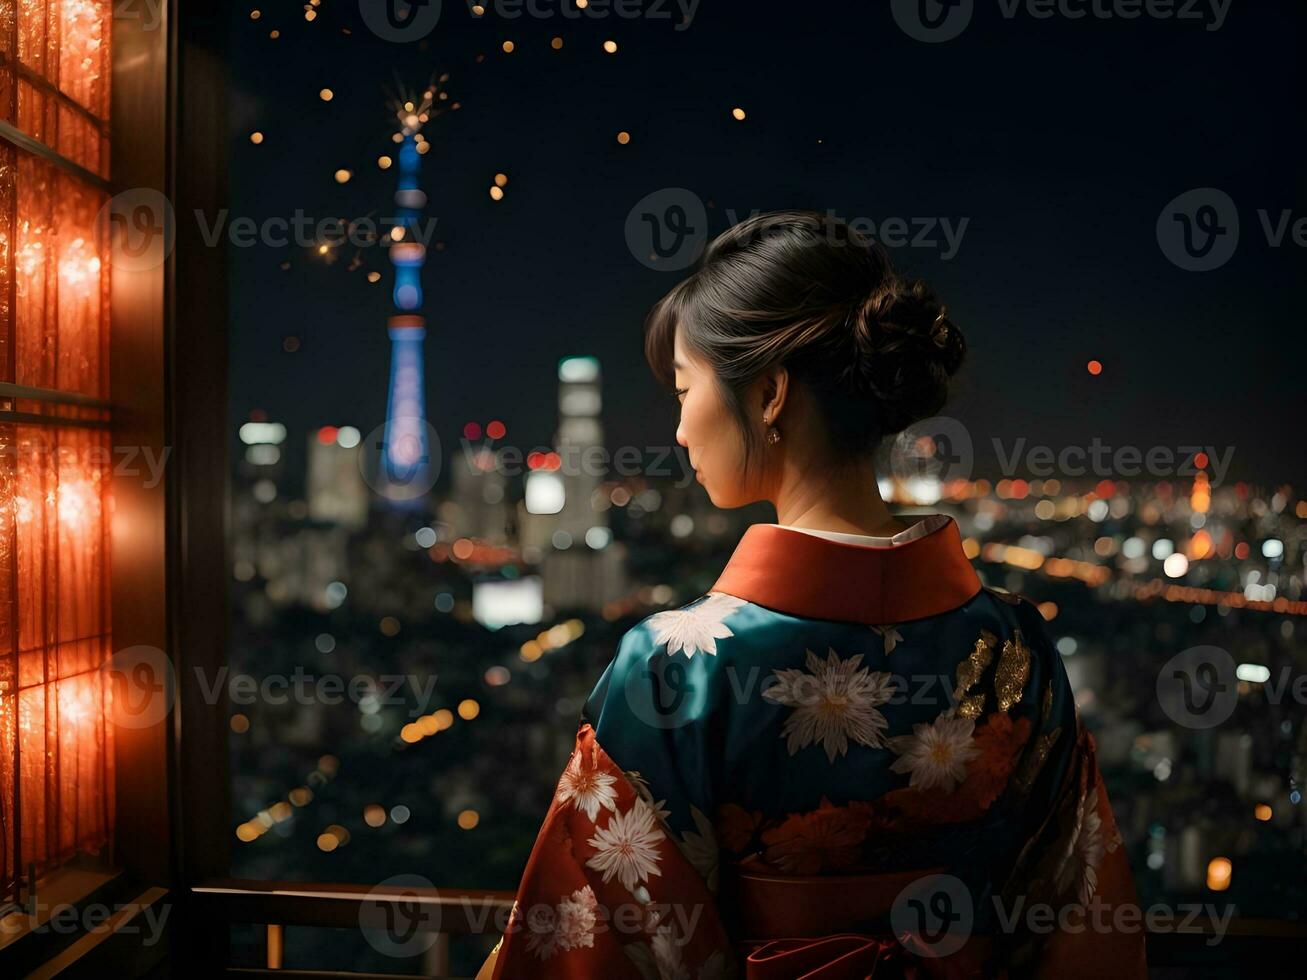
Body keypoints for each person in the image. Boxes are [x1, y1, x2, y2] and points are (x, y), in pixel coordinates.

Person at [478, 211, 1146, 979]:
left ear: (768, 393)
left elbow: (597, 941)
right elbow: (1078, 915)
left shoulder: (674, 668)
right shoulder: (1016, 645)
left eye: (684, 389)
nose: (680, 431)